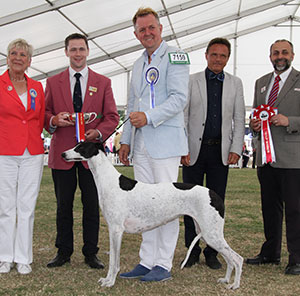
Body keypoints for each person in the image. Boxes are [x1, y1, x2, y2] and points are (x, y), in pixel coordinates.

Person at [118, 7, 189, 282]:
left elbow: (179, 98)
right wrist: (126, 141)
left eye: (151, 28)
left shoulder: (176, 56)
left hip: (166, 142)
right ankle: (146, 261)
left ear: (160, 29)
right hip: (141, 145)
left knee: (166, 204)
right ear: (136, 35)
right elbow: (132, 104)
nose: (147, 33)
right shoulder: (137, 64)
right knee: (145, 205)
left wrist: (148, 117)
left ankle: (163, 263)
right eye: (141, 30)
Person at [44, 33, 119, 269]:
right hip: (62, 154)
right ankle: (63, 251)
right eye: (73, 49)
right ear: (66, 52)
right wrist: (54, 119)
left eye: (81, 49)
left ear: (88, 51)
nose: (77, 54)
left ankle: (91, 252)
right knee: (63, 205)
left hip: (92, 158)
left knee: (91, 204)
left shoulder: (103, 82)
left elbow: (112, 117)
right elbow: (44, 115)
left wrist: (97, 133)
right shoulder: (52, 82)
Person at [181, 38, 245, 269]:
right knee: (189, 202)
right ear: (206, 55)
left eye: (223, 56)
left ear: (228, 58)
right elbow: (183, 116)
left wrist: (236, 148)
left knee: (216, 204)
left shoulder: (236, 83)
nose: (218, 59)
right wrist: (182, 147)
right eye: (214, 54)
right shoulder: (190, 81)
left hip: (221, 152)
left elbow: (239, 118)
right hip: (193, 152)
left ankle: (212, 252)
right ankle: (192, 251)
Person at [246, 39, 300, 275]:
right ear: (270, 57)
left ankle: (297, 258)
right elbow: (256, 115)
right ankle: (270, 252)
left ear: (293, 55)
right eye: (276, 53)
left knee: (295, 209)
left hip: (293, 158)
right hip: (266, 158)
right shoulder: (261, 83)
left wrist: (291, 122)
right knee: (269, 207)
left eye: (284, 52)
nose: (280, 56)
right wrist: (255, 124)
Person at [0, 39, 45, 274]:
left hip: (33, 152)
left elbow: (38, 118)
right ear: (7, 57)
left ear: (29, 61)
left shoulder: (37, 86)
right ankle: (5, 257)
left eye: (23, 55)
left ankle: (24, 258)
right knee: (6, 206)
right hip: (4, 151)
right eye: (13, 53)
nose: (18, 57)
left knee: (26, 206)